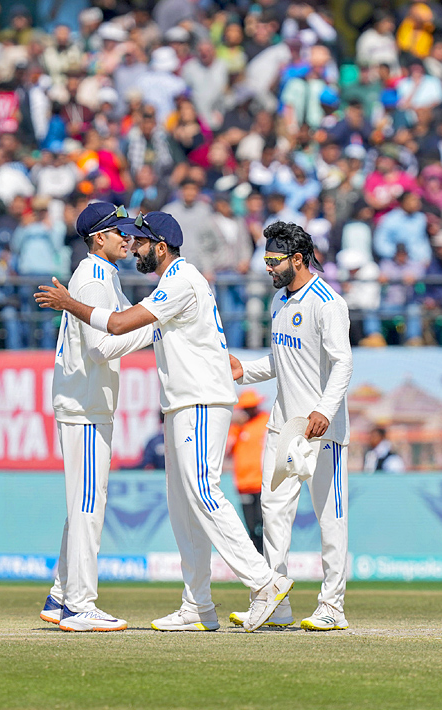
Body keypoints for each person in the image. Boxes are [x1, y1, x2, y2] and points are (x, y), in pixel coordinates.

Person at [36, 211, 293, 633]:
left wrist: (70, 305)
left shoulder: (180, 281)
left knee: (204, 495)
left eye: (139, 241)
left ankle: (264, 582)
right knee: (183, 508)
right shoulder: (170, 284)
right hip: (182, 402)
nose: (133, 246)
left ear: (159, 246)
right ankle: (198, 605)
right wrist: (95, 326)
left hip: (201, 401)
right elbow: (126, 336)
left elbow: (118, 325)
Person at [231, 221, 354, 631]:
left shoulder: (328, 302)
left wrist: (324, 409)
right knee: (273, 509)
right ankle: (273, 600)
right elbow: (279, 362)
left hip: (323, 429)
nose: (267, 267)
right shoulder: (278, 302)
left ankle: (332, 607)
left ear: (297, 259)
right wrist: (243, 371)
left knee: (330, 517)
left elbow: (343, 363)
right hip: (284, 425)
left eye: (273, 260)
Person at [39, 202, 151, 632]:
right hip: (84, 405)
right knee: (88, 503)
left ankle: (60, 595)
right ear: (98, 238)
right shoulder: (90, 277)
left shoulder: (107, 274)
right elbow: (102, 345)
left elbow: (126, 320)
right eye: (120, 231)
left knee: (86, 502)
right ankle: (79, 605)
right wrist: (160, 327)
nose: (128, 237)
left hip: (92, 403)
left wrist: (158, 321)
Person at [228, 390, 270, 552]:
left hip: (262, 482)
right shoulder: (237, 427)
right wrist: (236, 427)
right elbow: (228, 450)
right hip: (244, 482)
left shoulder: (266, 421)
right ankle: (257, 557)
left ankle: (268, 558)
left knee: (264, 522)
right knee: (251, 525)